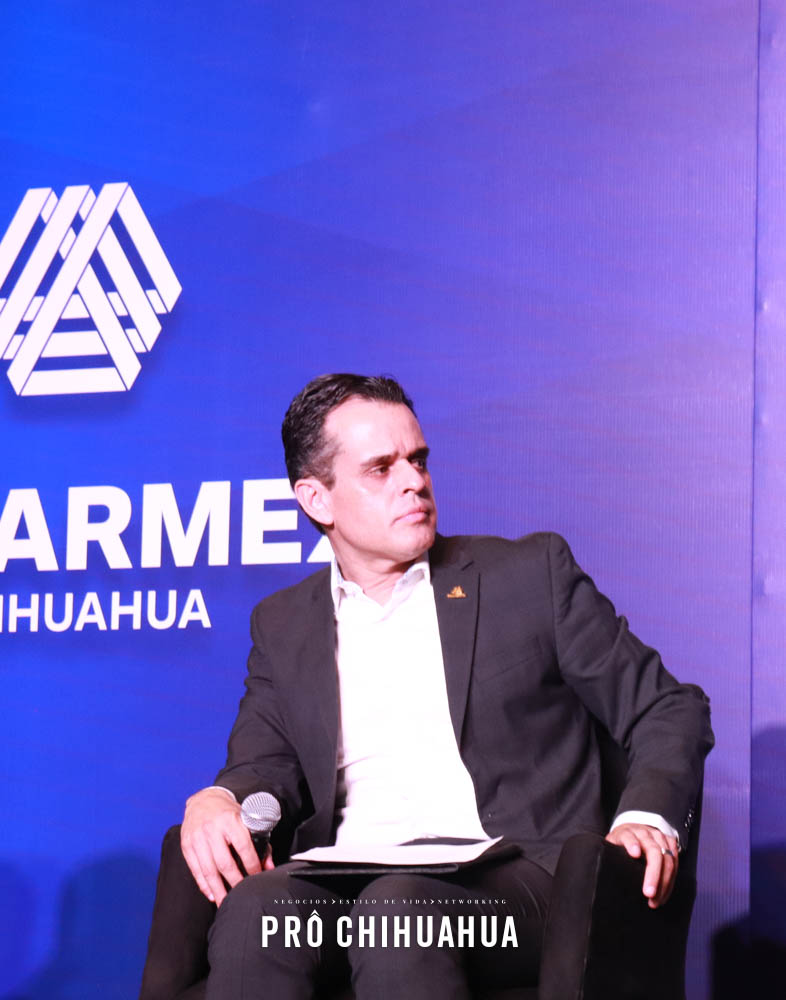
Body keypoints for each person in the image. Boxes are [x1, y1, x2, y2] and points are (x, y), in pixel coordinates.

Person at [180, 373, 713, 999]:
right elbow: (262, 764)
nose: (414, 481)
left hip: (513, 883)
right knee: (256, 913)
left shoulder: (526, 576)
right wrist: (219, 797)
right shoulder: (284, 623)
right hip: (345, 877)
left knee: (396, 913)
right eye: (381, 469)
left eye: (418, 460)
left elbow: (669, 707)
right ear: (317, 499)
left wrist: (646, 816)